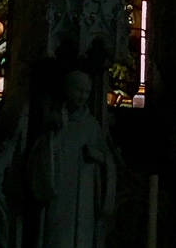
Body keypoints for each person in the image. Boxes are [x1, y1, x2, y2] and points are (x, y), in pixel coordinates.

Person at [29, 70, 115, 248]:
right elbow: (40, 158)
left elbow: (107, 161)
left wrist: (98, 157)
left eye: (86, 91)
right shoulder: (57, 120)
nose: (82, 95)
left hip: (85, 198)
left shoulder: (92, 125)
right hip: (61, 196)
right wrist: (54, 137)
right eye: (78, 90)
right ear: (68, 89)